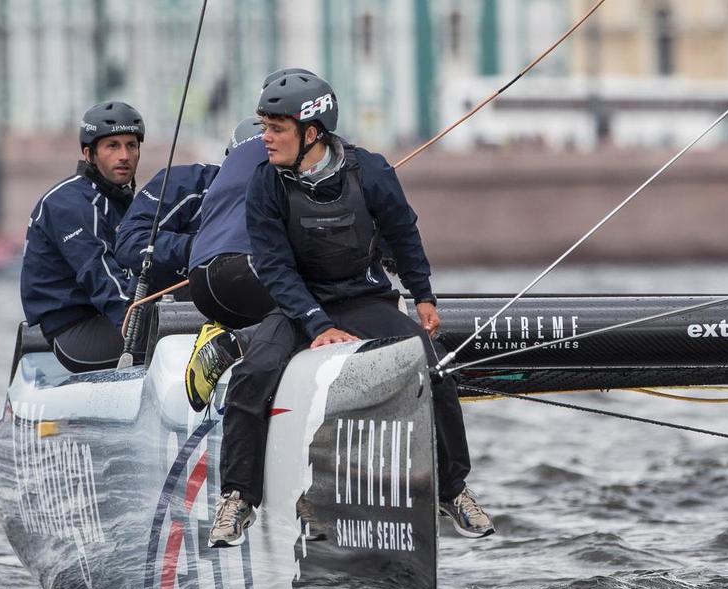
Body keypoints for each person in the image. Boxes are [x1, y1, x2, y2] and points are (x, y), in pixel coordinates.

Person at [207, 71, 493, 547]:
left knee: (435, 366)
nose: (265, 138)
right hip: (299, 305)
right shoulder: (265, 183)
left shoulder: (371, 171)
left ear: (311, 133)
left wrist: (423, 296)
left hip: (363, 298)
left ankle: (452, 490)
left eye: (276, 128)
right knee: (254, 372)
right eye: (264, 127)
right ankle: (238, 498)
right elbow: (275, 269)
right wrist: (316, 325)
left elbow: (403, 234)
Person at [183, 70, 319, 410]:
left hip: (201, 280)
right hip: (243, 270)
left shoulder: (235, 160)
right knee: (326, 303)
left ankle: (222, 332)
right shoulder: (293, 149)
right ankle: (233, 345)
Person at [20, 100, 144, 371]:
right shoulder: (68, 203)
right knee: (172, 341)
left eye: (131, 145)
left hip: (104, 320)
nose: (124, 155)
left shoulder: (122, 201)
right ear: (89, 154)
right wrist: (143, 328)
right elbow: (101, 277)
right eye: (112, 146)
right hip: (74, 332)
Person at [115, 154, 222, 291]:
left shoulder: (256, 198)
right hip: (157, 303)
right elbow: (128, 241)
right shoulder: (189, 181)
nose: (124, 156)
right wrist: (196, 246)